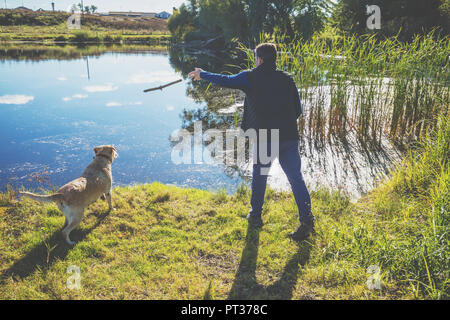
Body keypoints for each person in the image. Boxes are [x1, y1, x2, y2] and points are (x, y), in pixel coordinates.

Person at [188, 43, 314, 241]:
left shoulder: (250, 77)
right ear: (274, 59)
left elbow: (226, 80)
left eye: (256, 58)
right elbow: (297, 109)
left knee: (260, 175)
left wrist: (202, 74)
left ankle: (255, 215)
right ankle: (307, 221)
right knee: (296, 178)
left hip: (266, 137)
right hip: (289, 136)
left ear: (260, 59)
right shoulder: (287, 79)